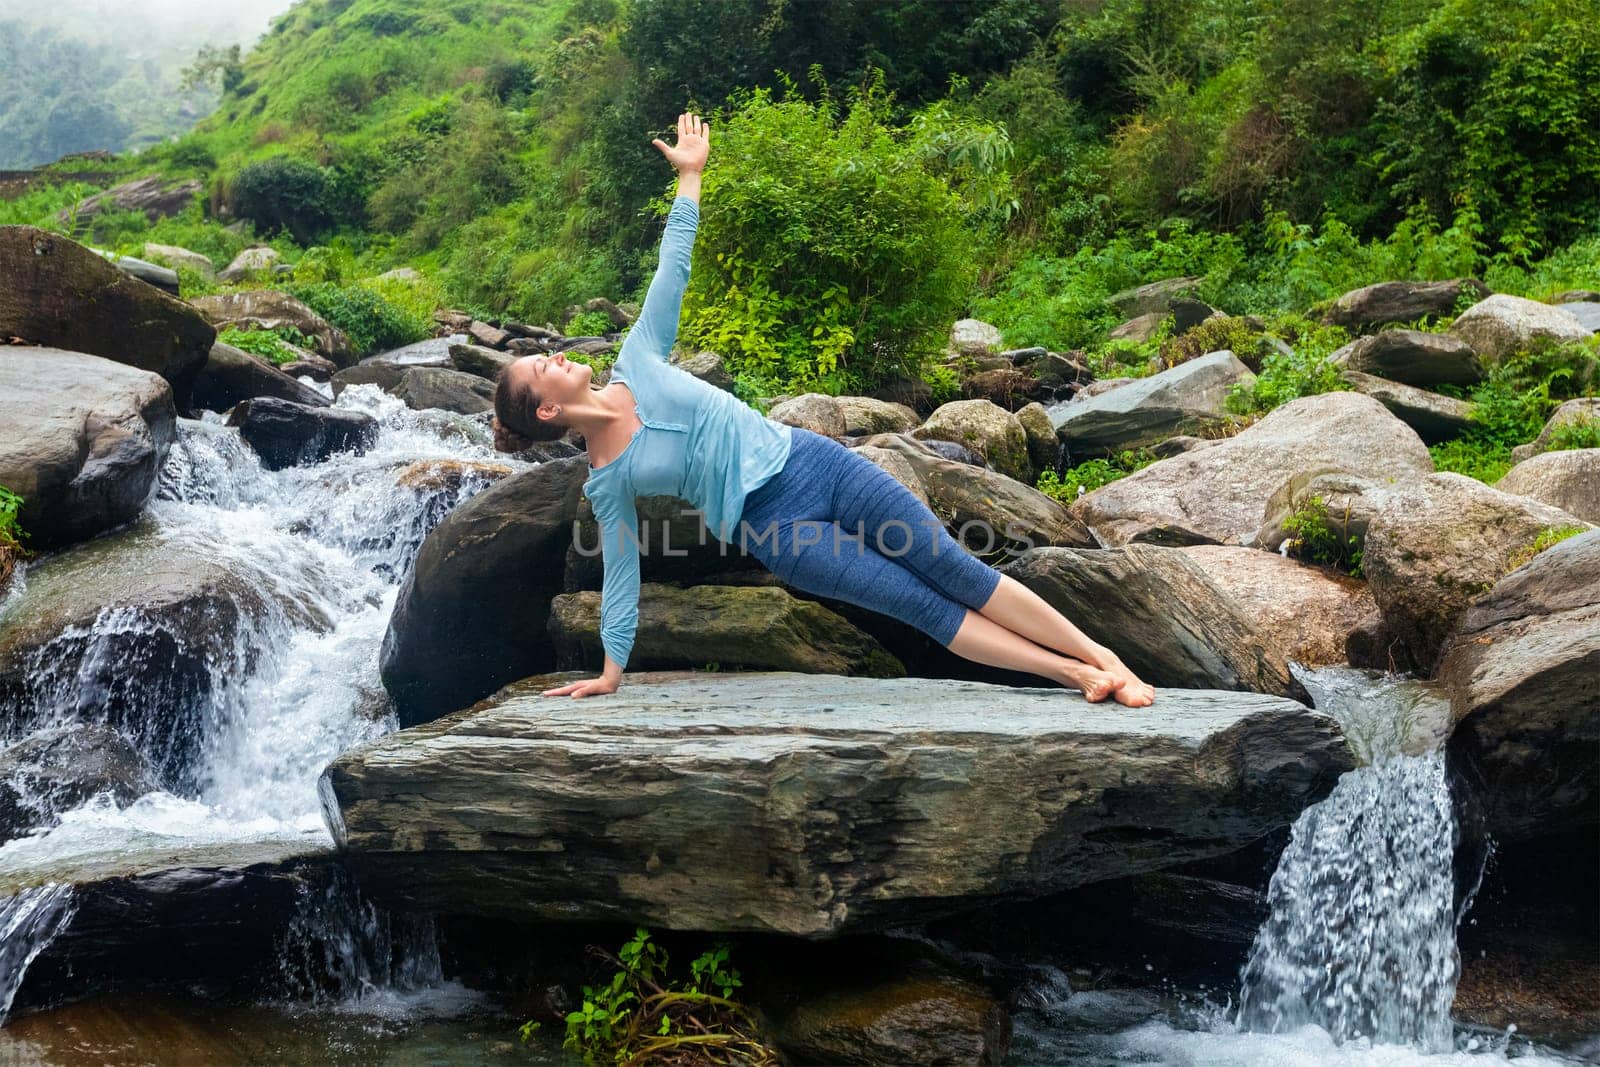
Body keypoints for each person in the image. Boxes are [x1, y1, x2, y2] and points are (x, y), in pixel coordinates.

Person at [491, 112, 1156, 707]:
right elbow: (623, 573)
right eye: (539, 370)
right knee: (922, 607)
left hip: (815, 461)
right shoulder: (608, 480)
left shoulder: (638, 358)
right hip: (777, 530)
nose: (553, 358)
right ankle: (1073, 677)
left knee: (956, 568)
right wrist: (610, 670)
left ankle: (1104, 656)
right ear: (547, 413)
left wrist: (690, 176)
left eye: (543, 355)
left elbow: (674, 266)